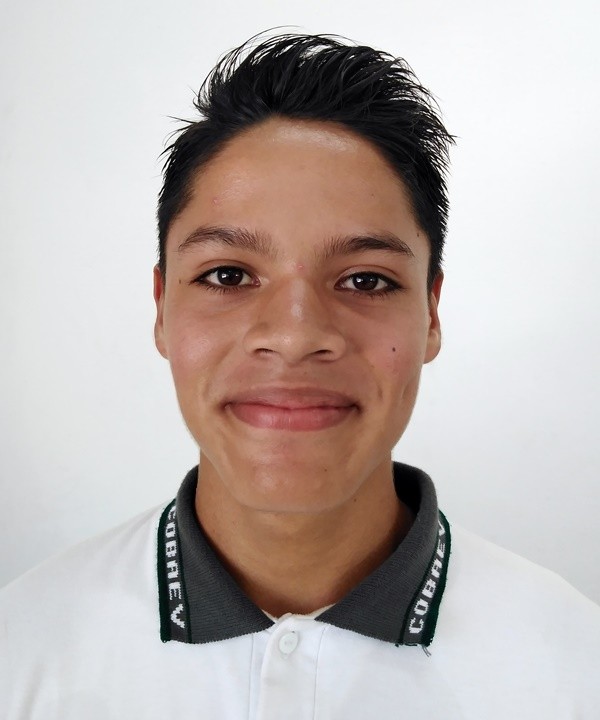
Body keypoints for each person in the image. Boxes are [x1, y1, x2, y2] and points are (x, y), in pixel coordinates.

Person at [1, 32, 599, 719]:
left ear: (431, 315)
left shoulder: (575, 669)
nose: (294, 334)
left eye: (365, 280)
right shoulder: (22, 649)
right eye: (228, 275)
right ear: (162, 309)